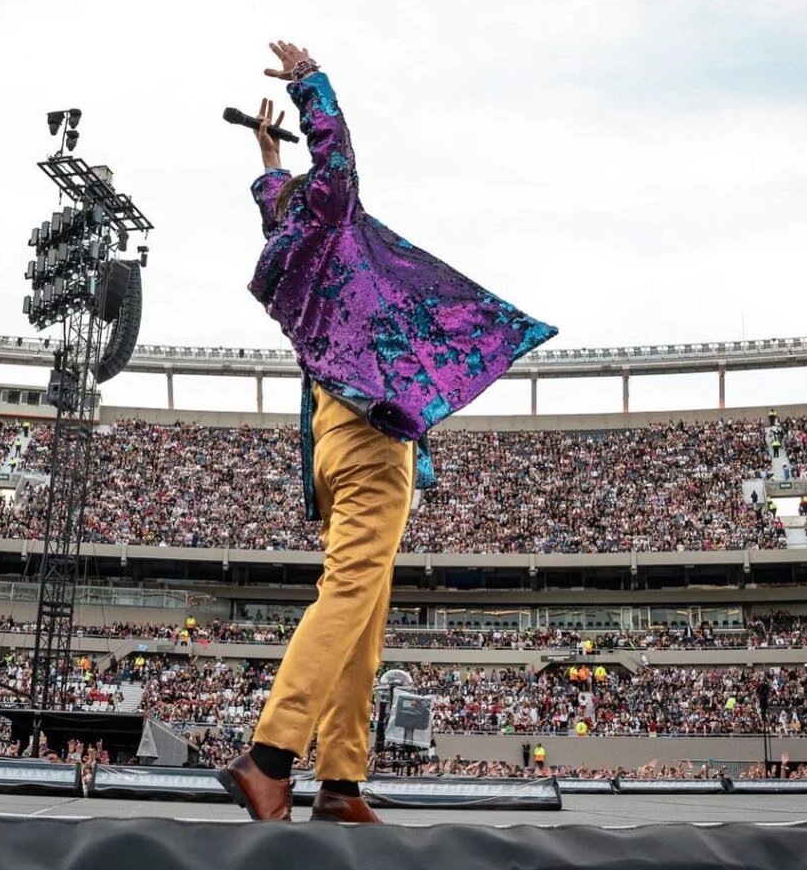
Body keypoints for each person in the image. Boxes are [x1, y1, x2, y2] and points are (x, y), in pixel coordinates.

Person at [216, 41, 556, 823]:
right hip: (371, 436)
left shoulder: (285, 247)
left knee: (364, 614)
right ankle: (269, 758)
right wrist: (311, 85)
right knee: (348, 598)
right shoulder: (329, 218)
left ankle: (341, 783)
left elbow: (280, 199)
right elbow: (337, 163)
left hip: (331, 438)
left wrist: (269, 157)